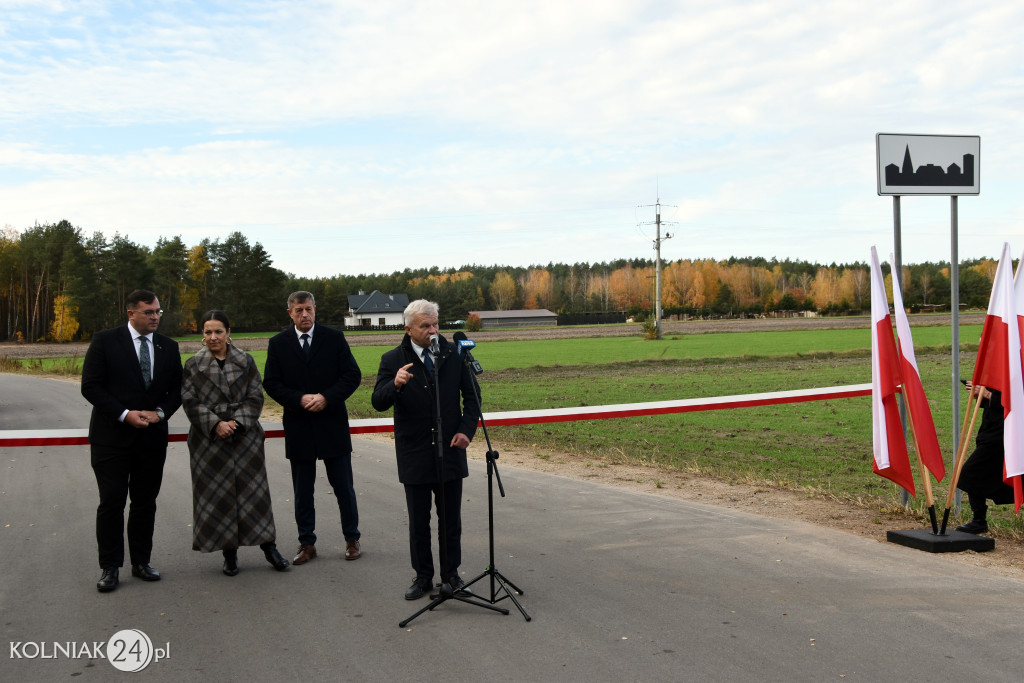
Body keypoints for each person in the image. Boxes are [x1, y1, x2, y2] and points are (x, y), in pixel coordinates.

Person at [371, 299, 480, 599]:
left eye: (435, 324)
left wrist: (465, 431)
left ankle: (451, 576)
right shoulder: (393, 358)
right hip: (415, 451)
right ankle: (423, 577)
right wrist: (395, 384)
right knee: (419, 521)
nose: (433, 331)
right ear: (408, 329)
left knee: (451, 520)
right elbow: (378, 401)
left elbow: (473, 399)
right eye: (425, 326)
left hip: (451, 449)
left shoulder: (454, 354)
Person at [81, 289, 182, 593]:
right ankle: (110, 567)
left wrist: (160, 414)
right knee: (111, 503)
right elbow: (91, 387)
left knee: (144, 503)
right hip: (111, 439)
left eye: (158, 312)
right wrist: (125, 414)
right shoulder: (105, 341)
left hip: (151, 440)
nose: (155, 317)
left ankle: (141, 562)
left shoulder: (168, 346)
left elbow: (177, 390)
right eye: (149, 312)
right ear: (131, 313)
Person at [181, 310, 290, 575]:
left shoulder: (246, 361)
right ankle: (229, 554)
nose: (213, 337)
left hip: (245, 440)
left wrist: (236, 423)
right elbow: (189, 400)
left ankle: (269, 547)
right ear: (202, 335)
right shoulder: (193, 365)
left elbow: (256, 397)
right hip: (209, 443)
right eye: (208, 332)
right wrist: (216, 424)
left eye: (218, 331)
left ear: (229, 333)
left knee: (255, 496)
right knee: (219, 498)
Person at [263, 291, 363, 565]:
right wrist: (298, 398)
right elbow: (271, 383)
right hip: (299, 426)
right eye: (298, 310)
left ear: (315, 309)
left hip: (332, 424)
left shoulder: (334, 338)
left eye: (308, 309)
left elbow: (352, 375)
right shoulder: (279, 343)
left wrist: (327, 397)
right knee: (302, 490)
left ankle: (352, 539)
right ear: (290, 313)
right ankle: (307, 543)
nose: (304, 314)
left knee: (344, 487)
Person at [956, 383, 1015, 534]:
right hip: (990, 430)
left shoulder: (1016, 364)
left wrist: (988, 395)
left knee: (970, 472)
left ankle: (979, 520)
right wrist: (980, 395)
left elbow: (1016, 399)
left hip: (1005, 432)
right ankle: (979, 520)